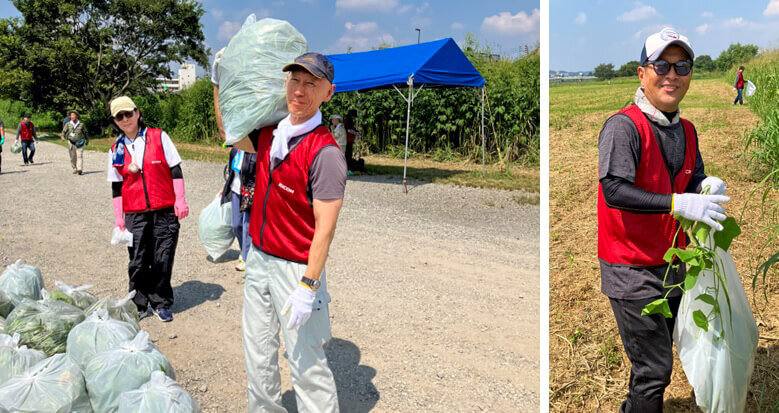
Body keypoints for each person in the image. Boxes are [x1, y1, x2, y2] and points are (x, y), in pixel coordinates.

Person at [597, 28, 729, 413]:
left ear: (689, 75)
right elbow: (614, 191)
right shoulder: (624, 128)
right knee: (655, 370)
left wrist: (705, 184)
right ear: (642, 73)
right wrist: (677, 204)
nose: (672, 75)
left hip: (674, 263)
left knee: (650, 360)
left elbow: (692, 175)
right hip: (631, 266)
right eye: (662, 65)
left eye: (682, 66)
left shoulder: (686, 130)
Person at [231, 52, 346, 412]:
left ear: (329, 92)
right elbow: (231, 132)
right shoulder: (270, 135)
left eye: (312, 84)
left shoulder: (325, 152)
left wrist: (308, 287)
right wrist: (222, 79)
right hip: (259, 260)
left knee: (306, 364)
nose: (300, 90)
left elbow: (325, 231)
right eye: (294, 81)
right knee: (258, 355)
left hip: (296, 270)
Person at [106, 96, 190, 323]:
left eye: (128, 113)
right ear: (115, 120)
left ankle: (161, 302)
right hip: (135, 213)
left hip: (164, 210)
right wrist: (119, 219)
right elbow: (116, 186)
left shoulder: (159, 136)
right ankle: (139, 304)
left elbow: (175, 169)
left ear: (137, 113)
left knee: (163, 257)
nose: (125, 119)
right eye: (119, 116)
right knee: (138, 260)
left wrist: (180, 199)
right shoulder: (116, 149)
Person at [220, 148, 257, 271]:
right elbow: (231, 172)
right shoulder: (235, 150)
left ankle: (247, 258)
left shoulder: (253, 151)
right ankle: (244, 250)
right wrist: (225, 189)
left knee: (247, 225)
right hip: (235, 190)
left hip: (249, 192)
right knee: (236, 224)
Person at [61, 110, 88, 175]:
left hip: (80, 142)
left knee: (79, 156)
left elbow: (85, 132)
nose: (72, 116)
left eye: (73, 115)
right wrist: (62, 136)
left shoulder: (81, 124)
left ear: (77, 116)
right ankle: (74, 168)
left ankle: (79, 169)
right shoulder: (68, 124)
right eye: (71, 115)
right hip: (71, 142)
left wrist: (87, 140)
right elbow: (64, 131)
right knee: (73, 157)